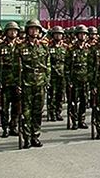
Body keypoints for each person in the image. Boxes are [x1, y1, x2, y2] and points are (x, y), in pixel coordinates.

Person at [15, 19, 50, 148]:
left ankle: (35, 135)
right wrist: (18, 84)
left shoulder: (44, 46)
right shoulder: (20, 47)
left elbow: (48, 65)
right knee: (26, 112)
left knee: (38, 111)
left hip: (40, 82)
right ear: (27, 31)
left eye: (36, 29)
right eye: (32, 29)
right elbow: (16, 68)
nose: (34, 31)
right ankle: (27, 137)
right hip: (26, 83)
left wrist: (47, 80)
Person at [66, 25, 91, 130]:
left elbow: (91, 65)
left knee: (84, 101)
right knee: (73, 102)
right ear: (77, 35)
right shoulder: (71, 49)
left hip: (85, 80)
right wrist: (68, 80)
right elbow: (67, 67)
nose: (83, 36)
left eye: (85, 34)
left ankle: (82, 120)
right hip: (74, 80)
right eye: (81, 34)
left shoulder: (89, 49)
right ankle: (74, 121)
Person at [46, 26, 67, 121]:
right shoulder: (48, 47)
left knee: (60, 95)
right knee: (52, 95)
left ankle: (58, 112)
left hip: (62, 75)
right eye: (56, 34)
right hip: (52, 75)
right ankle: (51, 112)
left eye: (60, 34)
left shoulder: (65, 47)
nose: (58, 36)